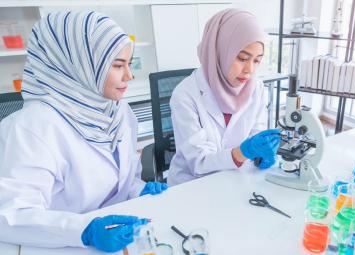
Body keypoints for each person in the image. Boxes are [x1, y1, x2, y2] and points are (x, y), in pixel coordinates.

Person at [0, 11, 167, 252]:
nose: (129, 76)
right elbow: (10, 216)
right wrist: (84, 230)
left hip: (117, 235)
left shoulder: (117, 111)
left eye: (129, 64)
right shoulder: (29, 128)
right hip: (58, 245)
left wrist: (138, 188)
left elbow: (121, 178)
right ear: (80, 64)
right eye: (118, 65)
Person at [168, 9, 281, 186]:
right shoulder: (185, 95)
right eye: (242, 58)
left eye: (257, 60)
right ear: (219, 51)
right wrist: (244, 151)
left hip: (236, 181)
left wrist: (263, 151)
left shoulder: (256, 88)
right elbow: (199, 162)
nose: (249, 70)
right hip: (192, 186)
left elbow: (256, 134)